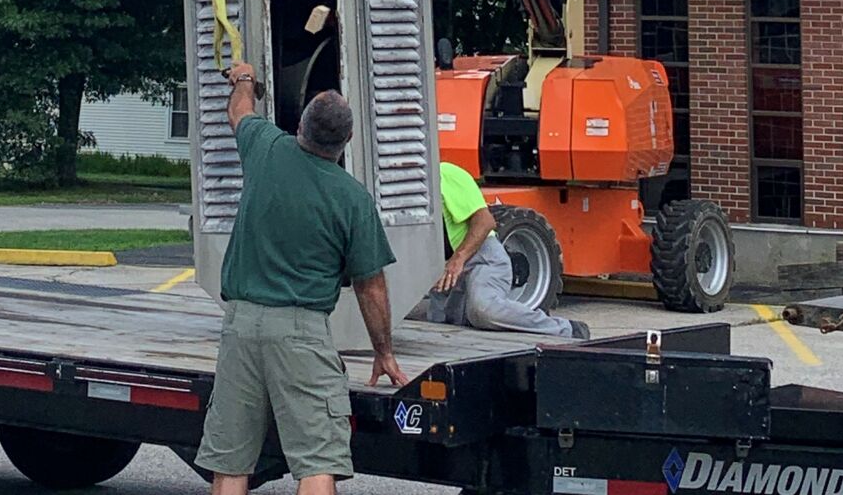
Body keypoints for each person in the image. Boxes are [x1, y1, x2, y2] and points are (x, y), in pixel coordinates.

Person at [196, 62, 406, 495]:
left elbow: (239, 111)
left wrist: (244, 79)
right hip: (301, 332)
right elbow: (371, 286)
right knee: (316, 461)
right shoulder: (353, 199)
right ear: (347, 141)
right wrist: (383, 351)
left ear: (300, 127)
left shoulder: (266, 148)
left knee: (231, 463)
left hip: (240, 324)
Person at [429, 161, 589, 341]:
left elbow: (485, 222)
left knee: (484, 310)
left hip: (482, 258)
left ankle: (566, 329)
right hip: (447, 272)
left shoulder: (447, 175)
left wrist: (457, 260)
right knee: (441, 325)